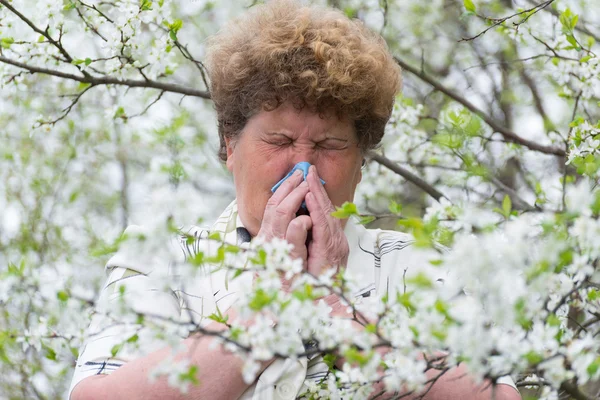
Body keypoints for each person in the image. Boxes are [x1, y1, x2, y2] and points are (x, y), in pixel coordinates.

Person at [69, 1, 522, 399]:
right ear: (230, 146)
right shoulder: (162, 258)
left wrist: (334, 310)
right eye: (280, 140)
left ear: (361, 163)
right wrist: (267, 303)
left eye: (329, 147)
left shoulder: (422, 265)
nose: (302, 169)